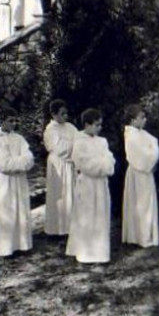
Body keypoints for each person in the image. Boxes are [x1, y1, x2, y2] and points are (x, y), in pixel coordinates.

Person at [66, 108, 115, 264]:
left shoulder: (102, 142)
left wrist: (104, 164)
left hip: (101, 184)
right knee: (87, 216)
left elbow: (110, 160)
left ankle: (100, 252)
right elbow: (84, 163)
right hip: (87, 184)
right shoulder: (79, 142)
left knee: (100, 215)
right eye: (96, 125)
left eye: (101, 125)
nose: (99, 128)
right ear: (87, 125)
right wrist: (102, 165)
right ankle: (86, 252)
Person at [0, 112, 34, 257]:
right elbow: (3, 164)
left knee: (20, 209)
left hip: (19, 180)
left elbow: (29, 159)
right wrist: (20, 162)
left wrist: (18, 162)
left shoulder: (19, 138)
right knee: (6, 210)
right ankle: (5, 247)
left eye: (15, 120)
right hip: (4, 181)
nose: (13, 123)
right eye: (10, 120)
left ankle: (21, 244)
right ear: (2, 121)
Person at [121, 104, 159, 248]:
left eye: (145, 117)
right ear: (132, 120)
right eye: (141, 118)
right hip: (138, 172)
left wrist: (152, 156)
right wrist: (150, 158)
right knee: (140, 204)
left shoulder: (143, 134)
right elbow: (140, 155)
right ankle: (139, 236)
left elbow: (154, 145)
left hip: (146, 173)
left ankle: (147, 234)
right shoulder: (130, 136)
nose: (145, 120)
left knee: (147, 203)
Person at [43, 100, 77, 237]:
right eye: (62, 113)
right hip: (58, 166)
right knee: (60, 195)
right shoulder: (50, 130)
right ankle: (57, 228)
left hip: (70, 165)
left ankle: (71, 226)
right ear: (53, 114)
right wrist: (73, 145)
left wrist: (74, 146)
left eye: (66, 113)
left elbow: (80, 141)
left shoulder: (70, 127)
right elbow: (59, 149)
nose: (65, 116)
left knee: (71, 195)